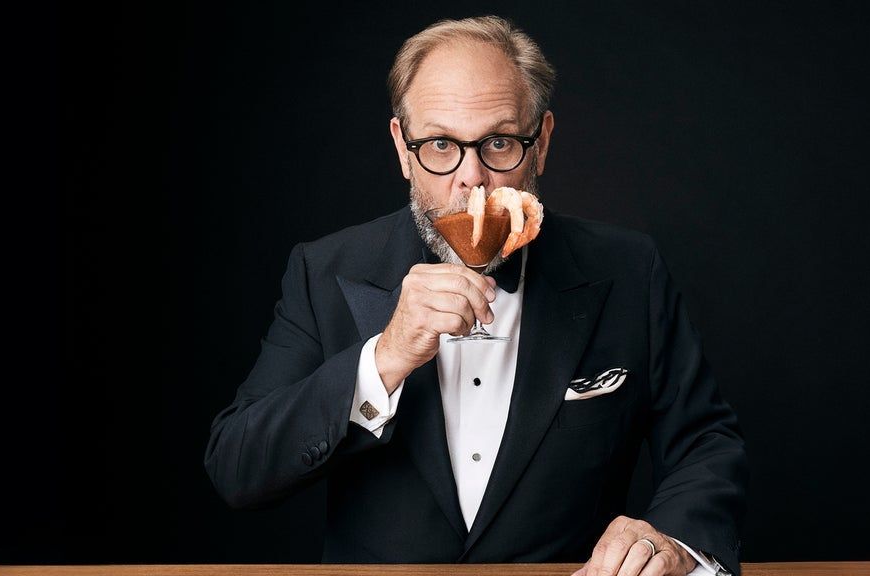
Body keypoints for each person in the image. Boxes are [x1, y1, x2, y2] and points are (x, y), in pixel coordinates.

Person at [204, 15, 747, 576]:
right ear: (402, 149)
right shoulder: (322, 271)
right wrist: (384, 359)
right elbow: (237, 469)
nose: (472, 178)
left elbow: (705, 442)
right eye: (441, 144)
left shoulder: (630, 269)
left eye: (499, 142)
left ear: (541, 143)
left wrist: (672, 540)